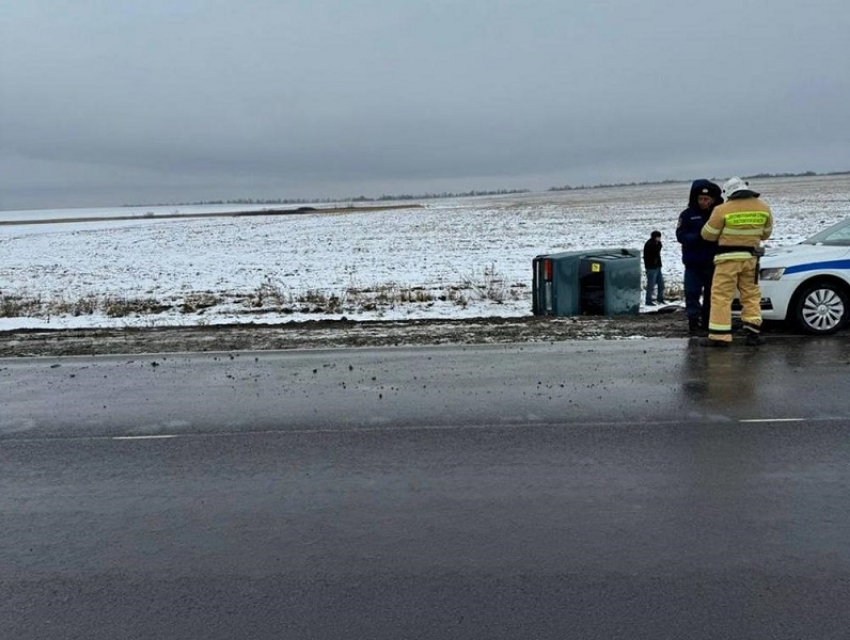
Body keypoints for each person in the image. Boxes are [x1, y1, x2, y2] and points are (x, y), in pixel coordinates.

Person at [699, 177, 773, 347]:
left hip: (727, 259)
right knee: (751, 294)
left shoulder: (721, 210)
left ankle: (720, 335)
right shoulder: (763, 207)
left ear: (728, 193)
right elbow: (766, 234)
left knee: (721, 296)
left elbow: (708, 234)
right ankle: (753, 333)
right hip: (751, 259)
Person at [676, 179, 723, 336]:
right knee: (692, 293)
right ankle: (693, 323)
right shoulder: (687, 215)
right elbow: (681, 235)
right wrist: (700, 237)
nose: (703, 202)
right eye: (700, 199)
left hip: (713, 262)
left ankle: (708, 322)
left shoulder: (718, 214)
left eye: (706, 199)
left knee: (712, 295)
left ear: (713, 200)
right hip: (693, 263)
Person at [643, 230, 665, 306]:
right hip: (651, 267)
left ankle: (660, 298)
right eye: (658, 237)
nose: (659, 239)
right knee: (651, 285)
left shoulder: (657, 244)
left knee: (661, 284)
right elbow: (653, 253)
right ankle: (648, 300)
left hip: (657, 266)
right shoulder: (649, 244)